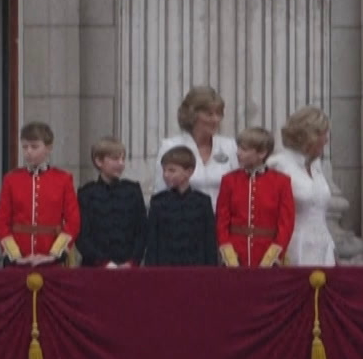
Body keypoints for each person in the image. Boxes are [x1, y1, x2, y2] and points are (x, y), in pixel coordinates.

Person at [0, 122, 80, 266]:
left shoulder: (63, 179)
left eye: (34, 147)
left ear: (48, 148)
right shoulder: (11, 179)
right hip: (19, 260)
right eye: (25, 147)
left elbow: (73, 221)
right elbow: (2, 222)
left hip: (52, 260)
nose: (28, 151)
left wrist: (55, 254)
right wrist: (15, 256)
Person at [267, 107, 337, 268]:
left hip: (322, 244)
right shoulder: (279, 164)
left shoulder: (317, 166)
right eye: (322, 134)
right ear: (308, 136)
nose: (326, 140)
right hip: (293, 245)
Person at [217, 127, 294, 268]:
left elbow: (286, 223)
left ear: (262, 153)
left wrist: (274, 254)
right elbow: (222, 220)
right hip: (236, 253)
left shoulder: (281, 182)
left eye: (244, 149)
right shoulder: (229, 180)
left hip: (267, 252)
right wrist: (228, 252)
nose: (238, 153)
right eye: (238, 148)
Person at [154, 86, 238, 205]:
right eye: (209, 114)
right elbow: (160, 190)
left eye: (219, 114)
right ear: (192, 115)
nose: (216, 119)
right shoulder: (171, 146)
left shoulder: (230, 146)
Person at [75, 137, 147, 268]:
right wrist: (104, 263)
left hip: (129, 267)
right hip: (95, 268)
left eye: (123, 159)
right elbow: (82, 236)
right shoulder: (86, 193)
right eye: (115, 159)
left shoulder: (132, 190)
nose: (121, 163)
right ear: (98, 161)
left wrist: (133, 261)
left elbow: (141, 231)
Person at [144, 147, 218, 267]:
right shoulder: (158, 202)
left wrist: (212, 273)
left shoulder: (202, 202)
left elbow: (209, 242)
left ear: (189, 172)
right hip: (165, 268)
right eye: (164, 170)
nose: (166, 175)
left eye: (172, 170)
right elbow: (152, 243)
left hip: (196, 268)